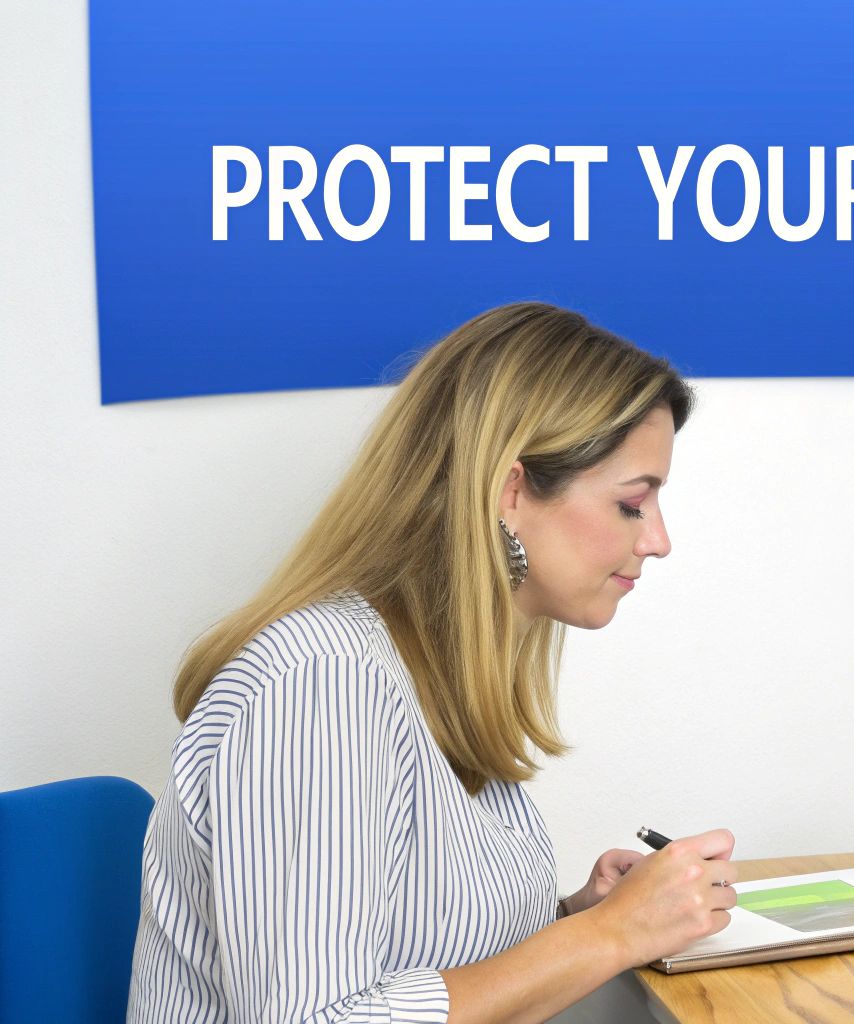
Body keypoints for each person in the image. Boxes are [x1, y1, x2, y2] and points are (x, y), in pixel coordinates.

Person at [128, 303, 739, 1023]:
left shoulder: (429, 678)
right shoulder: (320, 684)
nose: (659, 540)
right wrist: (609, 935)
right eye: (633, 504)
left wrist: (574, 916)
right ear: (511, 494)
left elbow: (412, 947)